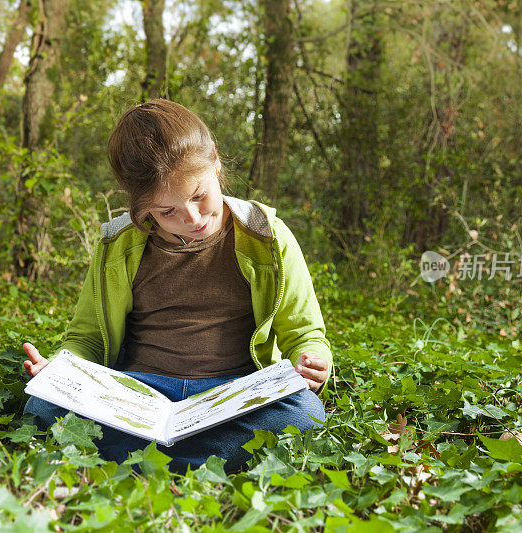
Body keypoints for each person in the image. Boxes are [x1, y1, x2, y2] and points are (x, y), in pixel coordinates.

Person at [21, 99, 333, 474]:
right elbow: (85, 339)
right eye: (166, 211)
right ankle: (206, 462)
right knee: (41, 407)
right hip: (136, 394)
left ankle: (142, 461)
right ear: (141, 207)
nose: (192, 218)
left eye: (199, 195)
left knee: (305, 415)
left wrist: (315, 361)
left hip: (232, 395)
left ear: (215, 161)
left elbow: (305, 332)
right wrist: (61, 369)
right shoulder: (118, 245)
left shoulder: (267, 236)